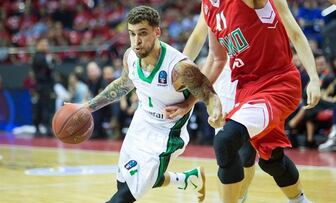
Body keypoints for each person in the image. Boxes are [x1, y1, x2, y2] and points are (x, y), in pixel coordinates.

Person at [167, 0, 321, 202]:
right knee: (272, 160)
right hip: (247, 89)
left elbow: (295, 34)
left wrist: (314, 79)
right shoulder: (210, 7)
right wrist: (190, 100)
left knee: (225, 141)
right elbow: (216, 59)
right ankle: (300, 200)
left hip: (278, 84)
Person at [81, 6, 224, 203]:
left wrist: (214, 111)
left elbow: (209, 94)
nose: (136, 41)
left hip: (166, 134)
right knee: (124, 184)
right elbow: (123, 84)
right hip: (140, 123)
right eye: (132, 34)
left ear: (157, 32)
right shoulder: (130, 56)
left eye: (142, 33)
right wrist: (88, 107)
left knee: (125, 196)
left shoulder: (179, 68)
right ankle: (187, 178)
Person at [31, 38, 55, 136]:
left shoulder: (38, 57)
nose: (46, 46)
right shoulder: (40, 57)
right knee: (44, 106)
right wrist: (50, 63)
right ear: (38, 46)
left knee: (40, 106)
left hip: (40, 86)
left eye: (47, 45)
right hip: (43, 86)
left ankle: (39, 127)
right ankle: (46, 128)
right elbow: (47, 71)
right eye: (44, 45)